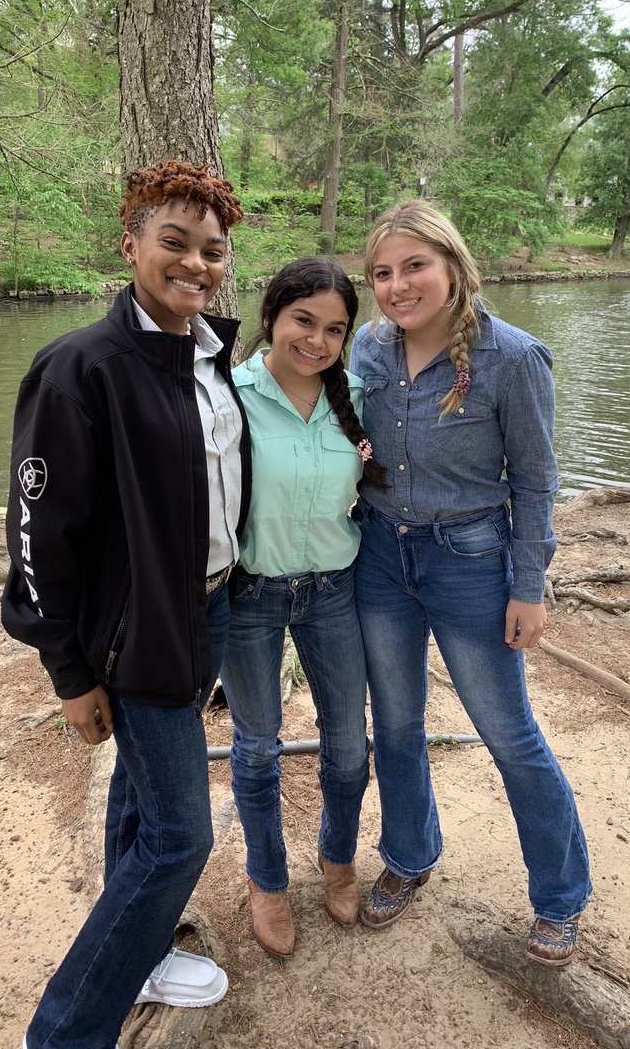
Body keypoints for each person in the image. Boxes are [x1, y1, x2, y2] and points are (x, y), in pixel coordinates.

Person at [1, 161, 251, 1049]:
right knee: (182, 837)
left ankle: (142, 954)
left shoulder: (215, 356)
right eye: (173, 243)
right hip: (137, 632)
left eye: (212, 250)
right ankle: (65, 1033)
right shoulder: (81, 366)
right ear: (132, 244)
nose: (195, 263)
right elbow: (39, 534)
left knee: (142, 806)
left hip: (210, 613)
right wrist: (68, 669)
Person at [350, 199, 591, 966]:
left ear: (452, 264)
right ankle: (410, 854)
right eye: (383, 273)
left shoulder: (511, 357)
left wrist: (530, 584)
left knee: (509, 734)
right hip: (381, 557)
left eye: (414, 265)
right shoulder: (367, 348)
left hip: (473, 561)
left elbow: (535, 479)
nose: (398, 285)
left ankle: (559, 896)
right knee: (394, 724)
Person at [219, 257, 383, 958]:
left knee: (349, 747)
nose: (317, 340)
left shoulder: (360, 395)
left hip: (334, 591)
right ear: (273, 318)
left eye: (335, 329)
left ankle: (337, 857)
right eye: (303, 321)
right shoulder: (230, 392)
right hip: (250, 594)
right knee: (256, 749)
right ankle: (267, 880)